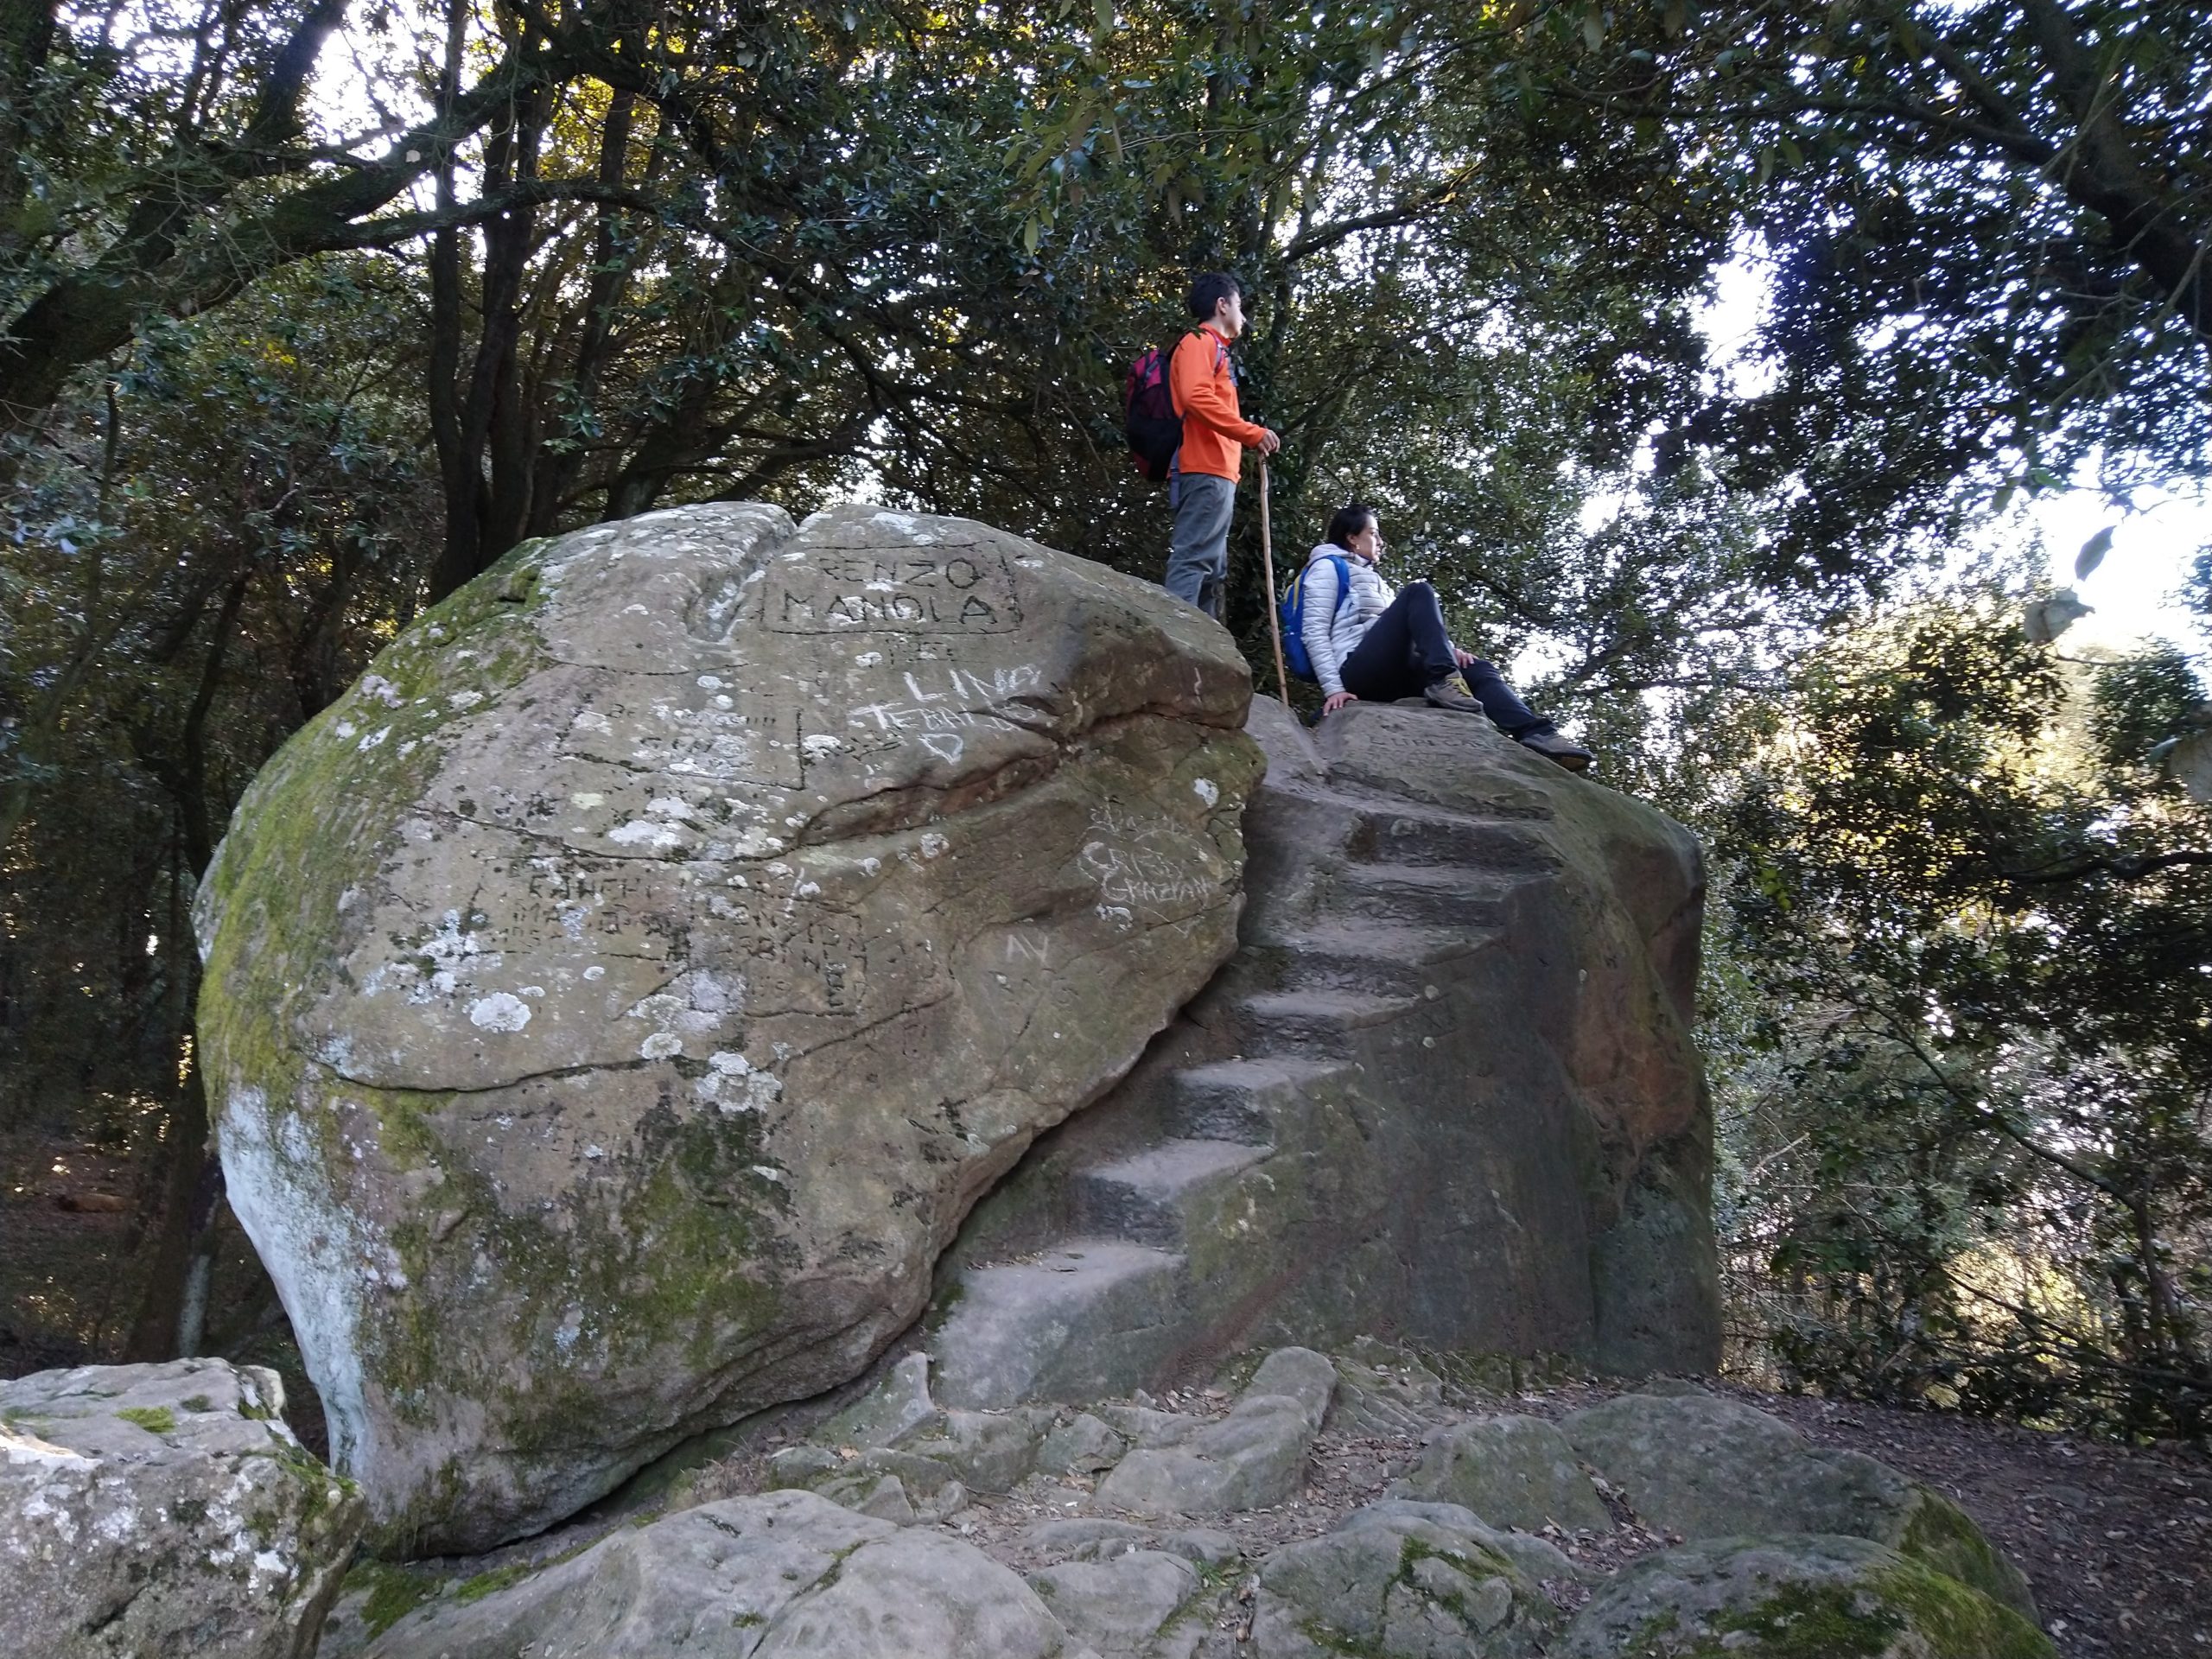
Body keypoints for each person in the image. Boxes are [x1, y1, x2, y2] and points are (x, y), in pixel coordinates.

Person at [1297, 501, 1593, 771]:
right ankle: (1444, 680)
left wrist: (1449, 649)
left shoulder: (1375, 579)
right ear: (1352, 537)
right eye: (1374, 533)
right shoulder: (1326, 567)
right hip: (1357, 671)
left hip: (1393, 673)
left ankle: (1537, 733)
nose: (1380, 541)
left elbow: (1406, 626)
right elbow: (1314, 631)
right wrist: (1334, 690)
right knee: (1419, 591)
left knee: (1476, 668)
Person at [1164, 271, 1280, 618]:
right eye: (1239, 306)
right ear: (1222, 304)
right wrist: (1251, 433)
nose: (1243, 316)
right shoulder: (1199, 342)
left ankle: (1205, 656)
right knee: (1194, 561)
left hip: (1216, 472)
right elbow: (1196, 398)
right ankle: (1178, 646)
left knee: (1213, 574)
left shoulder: (1214, 349)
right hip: (1205, 468)